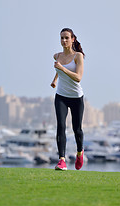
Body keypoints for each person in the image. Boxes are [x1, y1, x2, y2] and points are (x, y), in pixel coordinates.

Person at [51, 28, 85, 171]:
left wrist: (62, 69)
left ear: (72, 39)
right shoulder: (57, 56)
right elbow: (59, 70)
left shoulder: (78, 56)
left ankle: (79, 153)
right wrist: (54, 80)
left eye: (66, 38)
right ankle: (62, 160)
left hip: (76, 97)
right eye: (62, 38)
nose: (64, 41)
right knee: (61, 126)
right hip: (61, 96)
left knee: (77, 129)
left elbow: (78, 78)